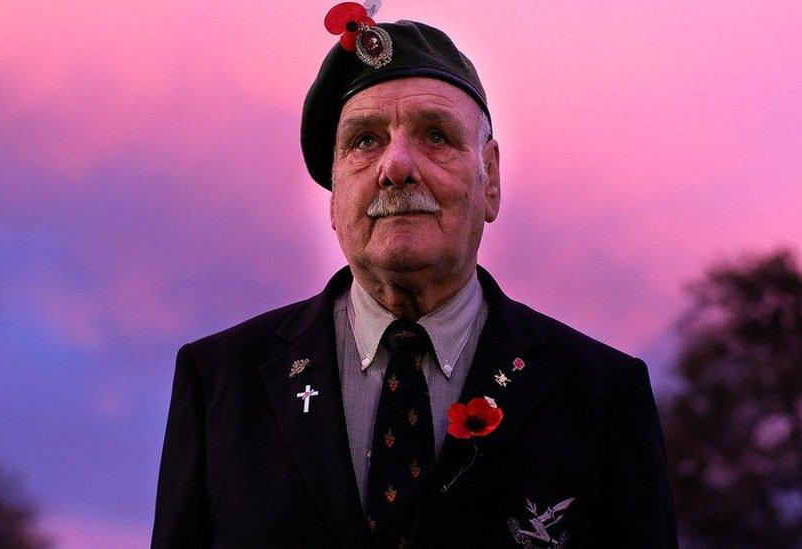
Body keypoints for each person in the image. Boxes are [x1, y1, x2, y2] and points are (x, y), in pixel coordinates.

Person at [152, 9, 677, 548]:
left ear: (489, 178)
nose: (397, 166)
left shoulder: (602, 395)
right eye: (365, 141)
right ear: (334, 197)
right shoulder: (218, 384)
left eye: (435, 135)